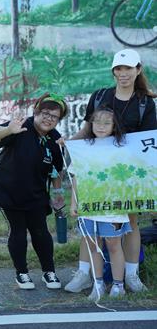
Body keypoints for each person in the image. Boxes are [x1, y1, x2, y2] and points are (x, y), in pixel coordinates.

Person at [65, 49, 156, 294]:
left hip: (127, 174)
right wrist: (69, 142)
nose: (123, 74)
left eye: (128, 68)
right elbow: (86, 131)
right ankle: (84, 274)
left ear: (138, 70)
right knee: (89, 223)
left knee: (131, 222)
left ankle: (131, 275)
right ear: (113, 71)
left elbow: (147, 143)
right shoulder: (100, 96)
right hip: (96, 172)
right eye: (119, 69)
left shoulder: (145, 103)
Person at [0, 93, 68, 290]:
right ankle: (22, 273)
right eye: (46, 113)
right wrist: (8, 130)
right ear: (37, 112)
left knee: (41, 231)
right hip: (7, 190)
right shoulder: (21, 125)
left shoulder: (55, 140)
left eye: (54, 116)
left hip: (36, 193)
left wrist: (58, 196)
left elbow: (57, 170)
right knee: (18, 230)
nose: (49, 118)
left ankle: (49, 272)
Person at [69, 105, 132, 301]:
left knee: (114, 244)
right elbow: (76, 177)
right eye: (97, 122)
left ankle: (118, 285)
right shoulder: (83, 148)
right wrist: (74, 202)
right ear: (90, 124)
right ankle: (97, 285)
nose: (101, 126)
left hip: (114, 206)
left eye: (107, 122)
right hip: (89, 204)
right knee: (94, 245)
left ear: (115, 126)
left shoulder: (123, 147)